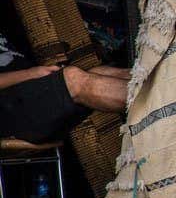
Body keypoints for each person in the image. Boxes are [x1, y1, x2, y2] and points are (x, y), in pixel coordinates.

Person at [0, 32, 128, 144]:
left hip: (26, 97)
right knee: (74, 80)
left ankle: (146, 89)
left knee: (98, 74)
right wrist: (30, 74)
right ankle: (148, 105)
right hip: (10, 114)